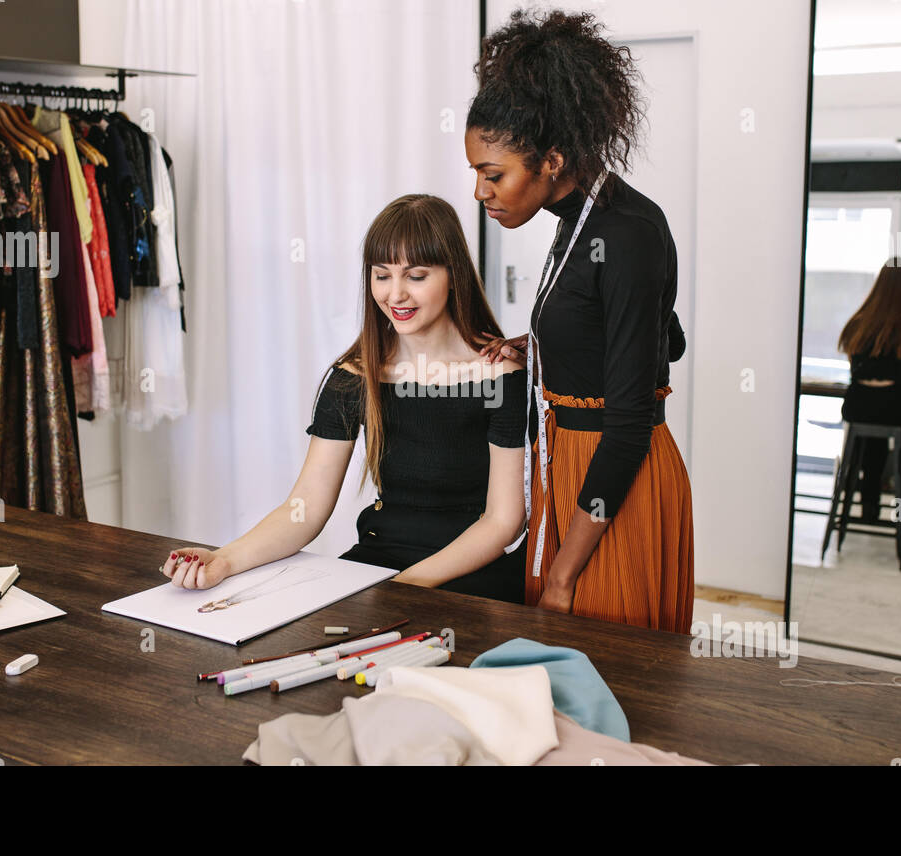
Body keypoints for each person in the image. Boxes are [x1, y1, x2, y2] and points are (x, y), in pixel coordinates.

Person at [160, 194, 528, 602]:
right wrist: (223, 560)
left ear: (454, 275)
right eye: (382, 275)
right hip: (378, 562)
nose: (395, 294)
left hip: (472, 574)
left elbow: (502, 522)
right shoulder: (353, 377)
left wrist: (402, 588)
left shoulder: (501, 377)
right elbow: (305, 508)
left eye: (416, 276)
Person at [467, 8, 693, 631]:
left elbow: (629, 426)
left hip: (613, 478)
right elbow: (664, 336)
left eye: (493, 175)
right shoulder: (582, 219)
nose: (481, 193)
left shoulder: (625, 231)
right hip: (572, 466)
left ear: (553, 159)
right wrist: (545, 344)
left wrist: (564, 574)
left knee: (603, 666)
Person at [837, 259, 901, 523]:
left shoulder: (858, 323)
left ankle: (868, 502)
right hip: (893, 403)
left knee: (870, 440)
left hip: (857, 402)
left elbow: (855, 366)